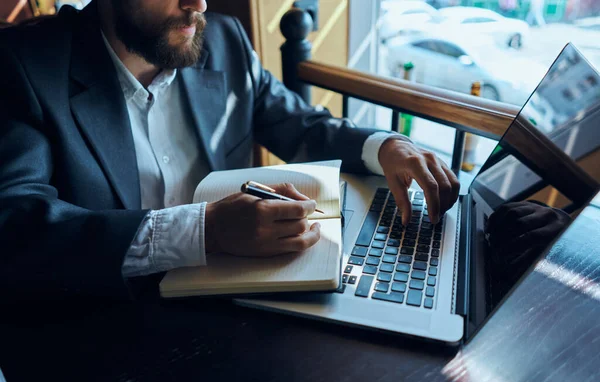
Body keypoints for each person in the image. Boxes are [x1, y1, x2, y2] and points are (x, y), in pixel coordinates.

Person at [0, 0, 459, 303]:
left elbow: (298, 124)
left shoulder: (223, 39)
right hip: (110, 320)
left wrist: (385, 146)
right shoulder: (24, 66)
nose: (197, 4)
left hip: (242, 303)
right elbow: (17, 227)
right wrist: (205, 230)